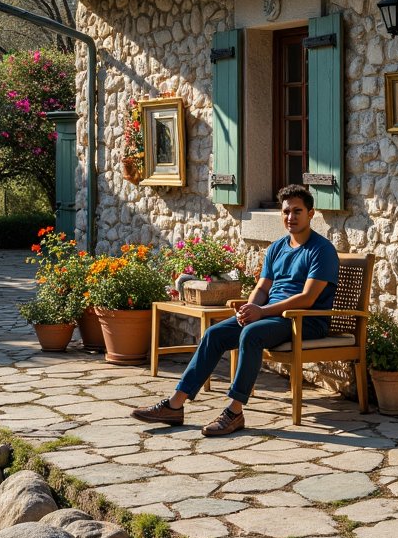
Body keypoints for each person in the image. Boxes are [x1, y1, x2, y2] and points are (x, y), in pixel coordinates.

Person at [133, 184, 339, 437]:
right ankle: (174, 405)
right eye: (286, 212)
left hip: (305, 320)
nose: (290, 217)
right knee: (214, 334)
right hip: (271, 316)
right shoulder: (277, 248)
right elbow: (262, 288)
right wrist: (250, 308)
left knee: (251, 334)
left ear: (311, 213)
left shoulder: (322, 250)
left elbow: (307, 298)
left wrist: (261, 313)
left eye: (297, 211)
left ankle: (234, 412)